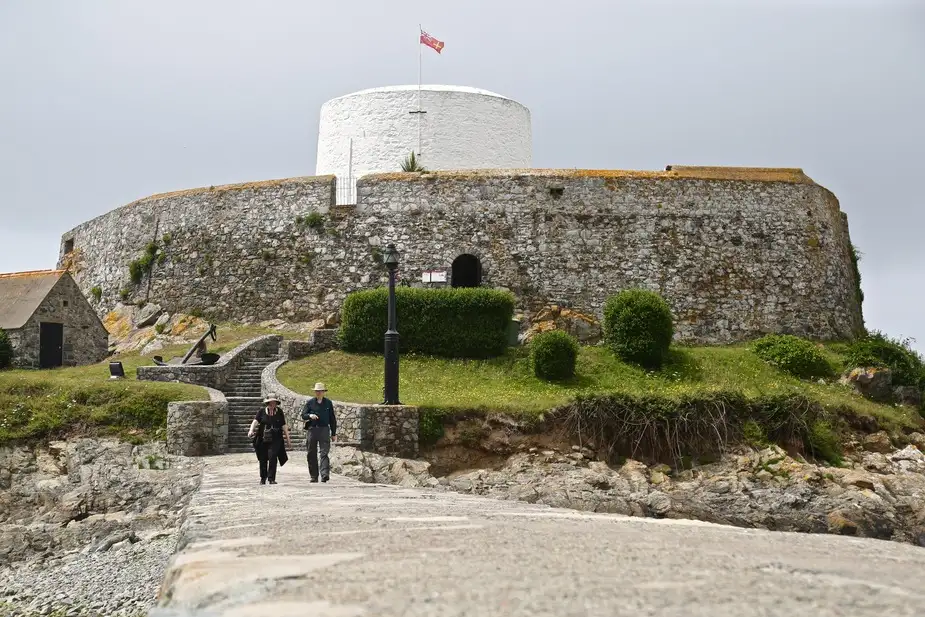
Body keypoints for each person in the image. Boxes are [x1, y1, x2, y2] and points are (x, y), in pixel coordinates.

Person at [247, 393, 292, 485]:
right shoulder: (261, 411)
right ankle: (263, 478)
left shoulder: (279, 412)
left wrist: (288, 440)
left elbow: (284, 426)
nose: (272, 404)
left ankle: (271, 478)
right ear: (267, 403)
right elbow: (255, 421)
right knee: (263, 459)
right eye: (270, 403)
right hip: (262, 439)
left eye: (274, 402)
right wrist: (251, 430)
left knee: (273, 457)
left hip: (276, 439)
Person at [301, 382, 337, 483]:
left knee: (324, 453)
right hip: (312, 429)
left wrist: (334, 433)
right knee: (311, 453)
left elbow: (332, 419)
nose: (318, 393)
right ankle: (313, 476)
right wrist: (310, 415)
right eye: (317, 391)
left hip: (324, 430)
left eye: (320, 391)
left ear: (323, 392)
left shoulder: (328, 403)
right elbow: (303, 415)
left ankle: (324, 475)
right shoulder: (310, 403)